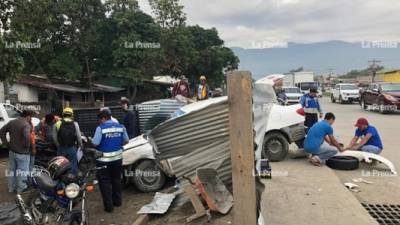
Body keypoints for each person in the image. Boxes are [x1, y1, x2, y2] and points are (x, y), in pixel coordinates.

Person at [91, 108, 129, 213]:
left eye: (100, 119)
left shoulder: (100, 128)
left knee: (105, 182)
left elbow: (95, 143)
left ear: (103, 118)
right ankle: (117, 202)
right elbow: (126, 141)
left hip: (103, 161)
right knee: (116, 180)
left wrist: (92, 141)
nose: (99, 121)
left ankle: (109, 207)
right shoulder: (121, 126)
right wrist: (117, 145)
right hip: (117, 159)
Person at [0, 110, 34, 193]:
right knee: (23, 172)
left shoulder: (12, 122)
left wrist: (6, 143)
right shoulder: (26, 125)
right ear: (28, 116)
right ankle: (21, 189)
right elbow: (27, 137)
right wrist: (27, 147)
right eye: (31, 117)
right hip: (23, 153)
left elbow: (1, 131)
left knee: (12, 170)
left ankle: (11, 188)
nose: (31, 119)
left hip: (12, 151)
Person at [52, 108, 82, 174]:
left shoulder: (57, 124)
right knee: (73, 164)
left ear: (63, 114)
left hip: (61, 148)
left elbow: (54, 138)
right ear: (71, 115)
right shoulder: (75, 124)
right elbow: (79, 137)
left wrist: (58, 145)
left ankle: (61, 182)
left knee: (60, 166)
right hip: (72, 147)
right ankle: (72, 180)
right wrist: (81, 145)